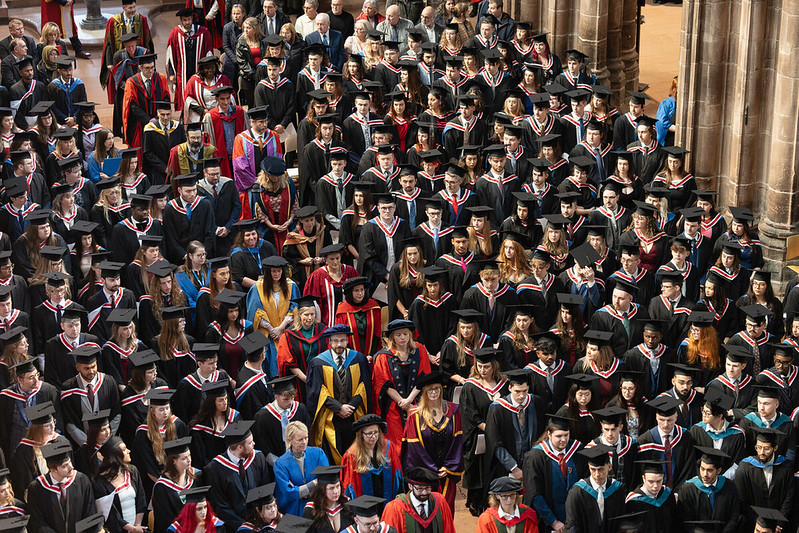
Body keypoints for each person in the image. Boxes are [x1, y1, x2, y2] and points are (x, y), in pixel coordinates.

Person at [307, 324, 371, 462]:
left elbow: (364, 386)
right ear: (329, 342)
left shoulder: (358, 359)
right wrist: (339, 408)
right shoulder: (318, 363)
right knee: (333, 452)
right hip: (331, 417)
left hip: (354, 415)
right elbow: (317, 391)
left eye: (342, 340)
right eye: (335, 341)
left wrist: (350, 407)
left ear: (348, 341)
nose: (339, 344)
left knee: (355, 451)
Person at [401, 371, 463, 512]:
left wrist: (447, 468)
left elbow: (457, 442)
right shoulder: (415, 415)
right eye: (430, 389)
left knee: (445, 510)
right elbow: (414, 448)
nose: (434, 392)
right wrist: (432, 470)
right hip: (424, 474)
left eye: (437, 389)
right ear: (424, 392)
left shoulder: (453, 411)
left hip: (446, 472)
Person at [203, 420, 272, 532]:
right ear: (240, 447)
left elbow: (265, 489)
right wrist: (244, 527)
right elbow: (220, 505)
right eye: (250, 443)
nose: (254, 444)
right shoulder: (214, 468)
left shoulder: (258, 458)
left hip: (259, 522)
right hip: (233, 527)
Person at [522, 414, 581, 533]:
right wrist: (553, 521)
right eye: (559, 436)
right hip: (547, 522)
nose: (563, 440)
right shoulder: (535, 457)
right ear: (549, 434)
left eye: (566, 435)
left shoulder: (577, 450)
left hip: (575, 520)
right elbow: (534, 493)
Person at [246, 255, 299, 378]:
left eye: (279, 271)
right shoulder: (257, 287)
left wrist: (280, 328)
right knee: (267, 365)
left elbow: (294, 308)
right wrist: (271, 329)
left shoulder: (291, 285)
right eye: (273, 271)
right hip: (265, 334)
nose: (276, 274)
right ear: (268, 272)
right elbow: (255, 311)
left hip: (285, 332)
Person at [25, 438, 95, 532]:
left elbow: (89, 512)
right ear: (53, 470)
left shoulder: (82, 481)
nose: (71, 467)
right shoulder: (36, 488)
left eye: (69, 462)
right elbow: (38, 521)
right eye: (64, 466)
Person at [734, 426, 794, 531]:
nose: (761, 452)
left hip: (779, 524)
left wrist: (780, 523)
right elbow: (742, 499)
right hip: (753, 523)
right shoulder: (745, 467)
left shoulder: (785, 466)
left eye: (766, 448)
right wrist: (758, 522)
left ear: (775, 448)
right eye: (758, 447)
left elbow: (788, 497)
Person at [636, 395, 696, 489]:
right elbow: (642, 471)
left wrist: (679, 491)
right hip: (654, 491)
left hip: (681, 490)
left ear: (676, 417)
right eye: (661, 420)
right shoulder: (645, 440)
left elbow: (688, 468)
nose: (665, 424)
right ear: (656, 417)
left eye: (669, 420)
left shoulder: (685, 437)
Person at [340, 413, 403, 501]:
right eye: (369, 433)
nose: (373, 437)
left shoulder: (388, 447)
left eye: (376, 432)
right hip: (365, 507)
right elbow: (349, 483)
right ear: (361, 434)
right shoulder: (352, 455)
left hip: (387, 499)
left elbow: (397, 473)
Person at [92, 435, 147, 532]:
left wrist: (137, 526)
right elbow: (112, 514)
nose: (128, 451)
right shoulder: (100, 483)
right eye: (124, 449)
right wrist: (132, 529)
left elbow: (141, 500)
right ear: (115, 455)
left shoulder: (132, 471)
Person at [676, 446, 740, 530]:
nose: (704, 474)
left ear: (718, 471)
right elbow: (684, 520)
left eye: (709, 470)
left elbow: (734, 515)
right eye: (702, 469)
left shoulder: (729, 486)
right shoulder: (688, 489)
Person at [564, 445, 625, 532]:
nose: (597, 474)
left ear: (609, 467)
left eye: (600, 469)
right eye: (593, 469)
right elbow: (572, 525)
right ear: (589, 467)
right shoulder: (577, 492)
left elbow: (621, 522)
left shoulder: (617, 489)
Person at [273, 421, 329, 516]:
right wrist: (314, 483)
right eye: (300, 440)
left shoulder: (318, 453)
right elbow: (287, 492)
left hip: (319, 505)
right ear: (289, 440)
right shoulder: (280, 464)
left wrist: (298, 489)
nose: (304, 442)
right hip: (295, 510)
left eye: (306, 438)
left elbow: (325, 480)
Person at [166, 8, 214, 113]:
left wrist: (209, 71)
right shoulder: (175, 33)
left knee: (198, 96)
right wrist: (171, 73)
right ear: (181, 20)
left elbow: (209, 53)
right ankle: (185, 119)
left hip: (199, 72)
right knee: (184, 98)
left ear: (192, 19)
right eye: (184, 20)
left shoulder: (203, 32)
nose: (187, 22)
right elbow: (169, 55)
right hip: (181, 74)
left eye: (189, 19)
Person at [381, 467, 455, 533]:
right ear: (410, 486)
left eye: (428, 488)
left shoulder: (439, 501)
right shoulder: (395, 508)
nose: (424, 492)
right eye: (420, 488)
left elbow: (449, 529)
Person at [163, 174, 217, 264]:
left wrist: (201, 255)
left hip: (203, 258)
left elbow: (210, 232)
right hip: (180, 259)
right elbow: (170, 237)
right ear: (179, 190)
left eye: (194, 190)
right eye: (188, 191)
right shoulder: (170, 208)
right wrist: (185, 256)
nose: (192, 194)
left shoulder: (205, 204)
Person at [122, 54, 171, 150]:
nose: (151, 71)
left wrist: (157, 117)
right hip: (139, 123)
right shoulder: (131, 83)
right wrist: (148, 120)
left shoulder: (161, 78)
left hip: (159, 120)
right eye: (147, 68)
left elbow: (166, 99)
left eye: (152, 67)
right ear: (140, 68)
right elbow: (132, 106)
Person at [198, 158, 242, 257]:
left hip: (229, 233)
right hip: (209, 234)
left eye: (218, 174)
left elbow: (237, 206)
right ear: (205, 173)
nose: (215, 177)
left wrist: (228, 227)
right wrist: (215, 229)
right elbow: (199, 214)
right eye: (212, 174)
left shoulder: (228, 184)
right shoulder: (199, 188)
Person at [203, 85, 248, 181]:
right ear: (216, 99)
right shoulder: (210, 116)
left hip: (240, 157)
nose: (226, 102)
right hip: (222, 158)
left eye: (228, 98)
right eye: (222, 99)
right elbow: (208, 142)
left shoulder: (240, 113)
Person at [624, 460, 677, 533]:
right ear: (643, 478)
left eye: (659, 481)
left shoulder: (667, 494)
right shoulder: (634, 501)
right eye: (651, 482)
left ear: (663, 477)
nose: (655, 486)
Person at [47, 57, 87, 127]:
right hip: (60, 123)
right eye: (65, 70)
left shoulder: (79, 84)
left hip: (77, 121)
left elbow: (83, 103)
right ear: (59, 71)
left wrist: (74, 117)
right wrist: (65, 119)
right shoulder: (53, 86)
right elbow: (52, 106)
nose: (69, 73)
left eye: (70, 70)